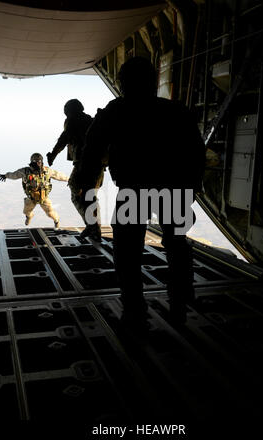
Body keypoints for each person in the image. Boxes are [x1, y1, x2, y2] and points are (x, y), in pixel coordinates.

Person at [76, 57, 206, 328]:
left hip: (134, 189)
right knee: (176, 243)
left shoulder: (116, 111)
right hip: (172, 189)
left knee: (127, 249)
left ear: (123, 83)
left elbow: (91, 150)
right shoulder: (175, 111)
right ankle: (181, 295)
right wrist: (191, 189)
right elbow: (196, 153)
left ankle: (134, 306)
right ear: (152, 81)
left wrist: (86, 184)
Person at [46, 99, 103, 241]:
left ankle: (92, 226)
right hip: (98, 166)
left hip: (84, 164)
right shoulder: (91, 121)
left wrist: (53, 154)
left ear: (69, 110)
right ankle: (95, 228)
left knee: (77, 193)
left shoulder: (73, 120)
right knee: (90, 197)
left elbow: (64, 138)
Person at [0, 153, 68, 228]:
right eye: (36, 162)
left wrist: (70, 179)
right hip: (31, 197)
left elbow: (59, 175)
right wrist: (6, 175)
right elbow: (14, 175)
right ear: (32, 162)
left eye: (40, 162)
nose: (38, 164)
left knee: (50, 213)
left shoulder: (47, 171)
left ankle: (56, 221)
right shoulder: (25, 171)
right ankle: (29, 217)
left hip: (44, 198)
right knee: (26, 211)